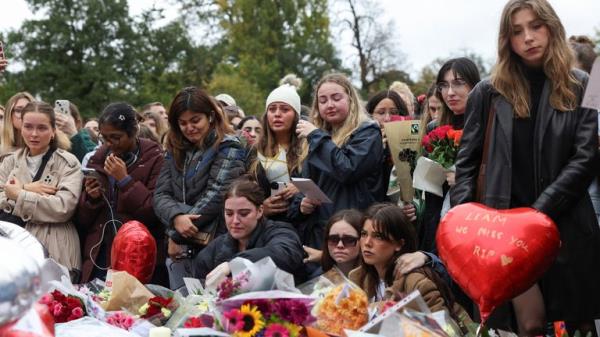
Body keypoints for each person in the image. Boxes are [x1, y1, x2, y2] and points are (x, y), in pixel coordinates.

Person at [450, 0, 600, 334]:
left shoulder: (589, 83)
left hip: (567, 227)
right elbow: (468, 162)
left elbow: (587, 156)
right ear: (507, 40)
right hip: (504, 234)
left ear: (552, 26)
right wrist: (465, 223)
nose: (528, 38)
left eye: (536, 26)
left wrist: (539, 214)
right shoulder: (486, 92)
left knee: (575, 326)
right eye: (517, 31)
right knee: (527, 326)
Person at [153, 86, 246, 290]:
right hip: (180, 249)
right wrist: (176, 219)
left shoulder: (229, 146)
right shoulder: (175, 149)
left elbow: (217, 194)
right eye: (183, 123)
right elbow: (160, 195)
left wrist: (177, 233)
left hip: (217, 246)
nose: (189, 128)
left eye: (195, 120)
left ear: (211, 116)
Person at [291, 73, 385, 274]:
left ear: (350, 99)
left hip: (354, 230)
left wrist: (316, 136)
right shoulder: (318, 138)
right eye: (323, 100)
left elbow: (347, 169)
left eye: (336, 98)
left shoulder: (367, 132)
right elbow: (307, 182)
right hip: (322, 231)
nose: (329, 105)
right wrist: (302, 204)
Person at [76, 102, 166, 284]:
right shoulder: (99, 158)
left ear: (133, 132)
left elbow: (153, 211)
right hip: (101, 252)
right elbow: (82, 220)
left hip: (137, 254)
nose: (109, 144)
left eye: (116, 137)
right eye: (104, 138)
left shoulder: (154, 158)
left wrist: (125, 180)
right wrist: (92, 199)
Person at [349, 203, 471, 329]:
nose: (367, 243)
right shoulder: (357, 278)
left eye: (378, 236)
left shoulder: (416, 282)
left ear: (399, 244)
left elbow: (443, 329)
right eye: (364, 234)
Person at [0, 101, 82, 279]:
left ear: (53, 131)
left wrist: (18, 194)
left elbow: (63, 207)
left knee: (55, 302)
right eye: (28, 127)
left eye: (42, 128)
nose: (34, 134)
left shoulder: (68, 162)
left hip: (55, 243)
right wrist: (26, 189)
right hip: (13, 247)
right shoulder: (9, 161)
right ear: (21, 128)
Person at [419, 57, 481, 254]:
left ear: (475, 85)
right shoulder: (434, 128)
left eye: (458, 83)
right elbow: (430, 194)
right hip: (440, 220)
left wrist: (464, 179)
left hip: (477, 221)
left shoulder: (488, 124)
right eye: (444, 86)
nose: (450, 93)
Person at [193, 178, 304, 284]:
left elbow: (284, 254)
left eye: (244, 213)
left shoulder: (281, 232)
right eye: (229, 214)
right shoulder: (213, 249)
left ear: (260, 211)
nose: (235, 221)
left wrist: (235, 264)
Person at [249, 85, 302, 222]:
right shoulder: (254, 151)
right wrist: (261, 209)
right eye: (272, 109)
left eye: (285, 109)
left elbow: (321, 185)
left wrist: (301, 187)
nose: (277, 114)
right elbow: (244, 190)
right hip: (265, 226)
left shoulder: (308, 148)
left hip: (302, 224)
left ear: (296, 115)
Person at [320, 209, 363, 276]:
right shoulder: (318, 278)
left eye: (349, 240)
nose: (340, 245)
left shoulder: (377, 282)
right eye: (333, 239)